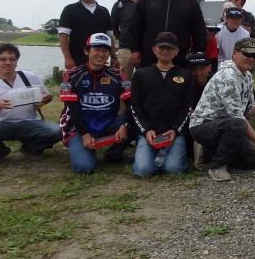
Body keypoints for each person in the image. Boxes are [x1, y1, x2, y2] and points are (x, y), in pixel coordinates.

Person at [189, 38, 255, 182]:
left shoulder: (248, 76)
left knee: (252, 161)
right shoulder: (228, 76)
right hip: (203, 126)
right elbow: (238, 117)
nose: (251, 58)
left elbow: (249, 108)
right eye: (247, 54)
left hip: (225, 125)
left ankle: (208, 153)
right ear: (235, 53)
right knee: (238, 125)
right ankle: (216, 166)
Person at [0, 43, 61, 161]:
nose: (8, 62)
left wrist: (46, 98)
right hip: (0, 125)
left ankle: (31, 148)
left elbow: (47, 97)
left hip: (29, 122)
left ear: (16, 62)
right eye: (2, 59)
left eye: (12, 59)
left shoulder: (30, 77)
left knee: (58, 130)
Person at [59, 33, 132, 174]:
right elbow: (72, 110)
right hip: (79, 128)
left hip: (107, 123)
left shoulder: (118, 74)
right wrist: (85, 134)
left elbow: (131, 104)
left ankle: (114, 154)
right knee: (85, 167)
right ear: (87, 51)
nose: (101, 54)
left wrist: (125, 125)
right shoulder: (71, 75)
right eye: (96, 49)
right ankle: (78, 146)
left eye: (105, 50)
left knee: (137, 116)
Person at [128, 32, 193, 177]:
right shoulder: (141, 75)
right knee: (144, 170)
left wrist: (176, 130)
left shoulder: (185, 76)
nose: (165, 51)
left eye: (170, 48)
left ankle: (165, 157)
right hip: (148, 132)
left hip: (174, 133)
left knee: (174, 169)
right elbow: (135, 106)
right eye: (161, 47)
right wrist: (146, 130)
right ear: (154, 49)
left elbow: (187, 108)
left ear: (176, 51)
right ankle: (145, 153)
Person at [124, 0, 208, 68]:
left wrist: (199, 51)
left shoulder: (190, 1)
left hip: (179, 60)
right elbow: (135, 27)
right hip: (148, 59)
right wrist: (134, 49)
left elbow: (199, 29)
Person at [59, 0, 115, 70]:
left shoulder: (104, 11)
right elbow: (63, 35)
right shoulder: (70, 10)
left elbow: (109, 36)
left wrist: (113, 57)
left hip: (100, 59)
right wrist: (67, 58)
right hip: (76, 59)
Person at [111, 0, 148, 80]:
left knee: (146, 81)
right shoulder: (120, 5)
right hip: (126, 49)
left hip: (146, 49)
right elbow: (113, 27)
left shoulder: (149, 4)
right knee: (122, 80)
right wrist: (124, 37)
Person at [185, 52, 212, 170]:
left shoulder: (217, 84)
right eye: (193, 69)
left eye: (202, 68)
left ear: (209, 68)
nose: (198, 73)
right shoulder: (182, 84)